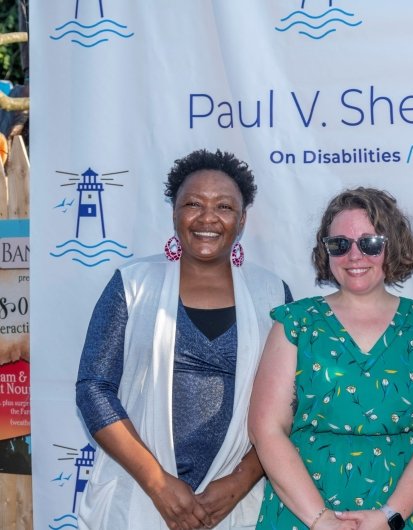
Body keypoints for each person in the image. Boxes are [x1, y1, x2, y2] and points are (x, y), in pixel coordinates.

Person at [75, 149, 292, 530]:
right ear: (174, 212)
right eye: (193, 203)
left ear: (242, 220)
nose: (207, 218)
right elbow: (94, 388)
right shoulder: (132, 284)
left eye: (224, 207)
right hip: (139, 497)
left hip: (237, 506)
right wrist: (157, 483)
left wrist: (239, 482)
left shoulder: (273, 294)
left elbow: (292, 401)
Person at [248, 187, 413, 530]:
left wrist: (390, 515)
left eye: (370, 243)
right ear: (326, 252)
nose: (354, 255)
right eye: (340, 244)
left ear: (391, 246)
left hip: (408, 515)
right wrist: (320, 519)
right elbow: (266, 429)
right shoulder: (295, 324)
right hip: (302, 514)